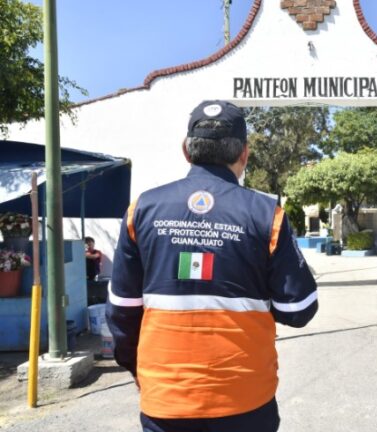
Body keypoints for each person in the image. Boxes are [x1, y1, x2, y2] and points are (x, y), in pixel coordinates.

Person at [106, 100, 318, 432]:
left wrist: (140, 370)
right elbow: (299, 308)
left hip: (166, 398)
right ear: (244, 154)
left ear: (186, 151)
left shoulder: (142, 209)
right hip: (245, 400)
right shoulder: (266, 214)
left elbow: (121, 311)